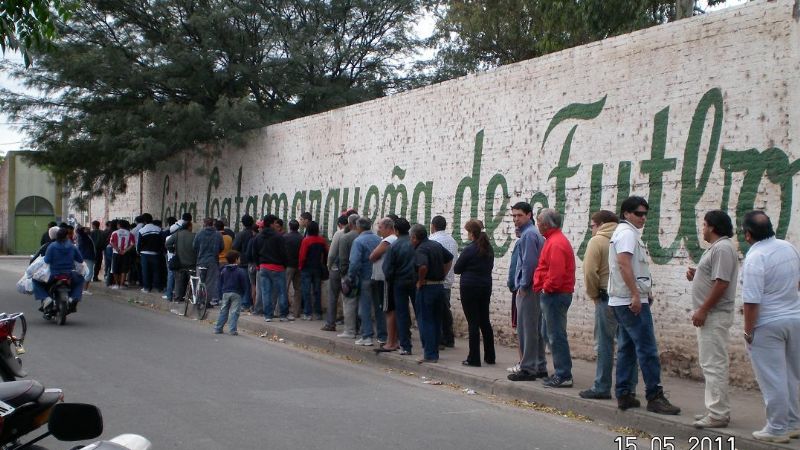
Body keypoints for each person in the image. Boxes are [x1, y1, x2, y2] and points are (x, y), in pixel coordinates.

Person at [609, 196, 680, 415]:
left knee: (628, 347)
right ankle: (654, 395)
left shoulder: (624, 233)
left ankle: (624, 393)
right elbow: (623, 263)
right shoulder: (627, 234)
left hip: (622, 299)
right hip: (629, 300)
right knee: (647, 348)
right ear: (627, 213)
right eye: (639, 213)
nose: (643, 218)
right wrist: (635, 295)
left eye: (645, 214)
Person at [741, 210, 800, 443]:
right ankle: (793, 422)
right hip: (794, 318)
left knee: (772, 378)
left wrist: (748, 331)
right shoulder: (788, 247)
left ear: (748, 234)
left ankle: (777, 428)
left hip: (768, 324)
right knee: (790, 375)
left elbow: (751, 301)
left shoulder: (755, 258)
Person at [686, 210, 739, 429]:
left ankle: (718, 413)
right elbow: (714, 277)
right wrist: (697, 273)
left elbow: (721, 283)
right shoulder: (718, 249)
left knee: (714, 363)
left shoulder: (723, 248)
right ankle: (715, 409)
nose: (703, 229)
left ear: (713, 227)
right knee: (710, 363)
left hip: (715, 315)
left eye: (705, 225)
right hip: (711, 314)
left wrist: (703, 310)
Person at [580, 210, 638, 400]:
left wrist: (594, 294)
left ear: (600, 224)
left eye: (591, 226)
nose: (591, 230)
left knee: (604, 343)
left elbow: (589, 272)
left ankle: (602, 385)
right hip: (628, 297)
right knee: (627, 344)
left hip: (606, 296)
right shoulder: (628, 237)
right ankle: (629, 387)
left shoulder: (597, 241)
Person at [534, 208, 575, 388]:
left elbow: (556, 274)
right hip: (553, 294)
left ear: (545, 224)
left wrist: (546, 288)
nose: (537, 224)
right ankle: (561, 371)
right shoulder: (553, 240)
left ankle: (563, 374)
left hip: (555, 295)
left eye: (539, 221)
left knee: (556, 334)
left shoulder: (556, 243)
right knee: (548, 333)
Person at [507, 202, 548, 382]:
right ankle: (539, 366)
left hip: (529, 288)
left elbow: (529, 264)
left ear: (529, 215)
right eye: (514, 216)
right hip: (534, 287)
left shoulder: (529, 235)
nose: (516, 219)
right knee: (536, 328)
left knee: (527, 329)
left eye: (519, 215)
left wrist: (523, 285)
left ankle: (528, 368)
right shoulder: (532, 234)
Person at [453, 219, 495, 366]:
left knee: (473, 323)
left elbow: (457, 269)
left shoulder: (469, 249)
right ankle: (490, 356)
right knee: (485, 321)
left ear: (471, 233)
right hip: (485, 286)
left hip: (469, 287)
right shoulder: (489, 248)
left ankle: (474, 358)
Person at [410, 224, 453, 363]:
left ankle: (429, 354)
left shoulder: (421, 249)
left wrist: (421, 281)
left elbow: (422, 266)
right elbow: (449, 258)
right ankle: (434, 352)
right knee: (435, 320)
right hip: (439, 287)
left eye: (411, 238)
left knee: (425, 321)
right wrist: (443, 274)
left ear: (415, 238)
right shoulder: (435, 245)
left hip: (427, 287)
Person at [33, 228, 85, 316]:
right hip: (69, 274)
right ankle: (74, 297)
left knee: (35, 281)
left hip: (54, 275)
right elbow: (80, 259)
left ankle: (46, 299)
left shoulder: (52, 246)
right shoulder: (72, 246)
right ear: (67, 236)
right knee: (80, 280)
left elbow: (47, 260)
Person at [349, 217, 383, 346]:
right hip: (378, 276)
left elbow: (354, 262)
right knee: (379, 307)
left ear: (358, 227)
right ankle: (382, 335)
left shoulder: (358, 241)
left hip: (365, 277)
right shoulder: (378, 239)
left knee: (365, 307)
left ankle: (367, 335)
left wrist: (351, 277)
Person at [383, 217, 415, 355]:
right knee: (420, 312)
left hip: (399, 282)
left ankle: (406, 346)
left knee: (401, 314)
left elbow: (387, 268)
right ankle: (429, 346)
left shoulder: (394, 246)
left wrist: (391, 279)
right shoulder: (415, 243)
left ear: (395, 230)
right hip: (415, 281)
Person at [252, 215, 291, 322]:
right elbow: (283, 253)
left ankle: (268, 315)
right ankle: (283, 314)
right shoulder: (278, 237)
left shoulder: (258, 237)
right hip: (278, 267)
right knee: (281, 291)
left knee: (266, 292)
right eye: (275, 223)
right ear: (271, 224)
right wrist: (284, 264)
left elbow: (254, 253)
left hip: (263, 267)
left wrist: (258, 265)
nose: (276, 225)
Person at [370, 217, 398, 351]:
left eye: (380, 227)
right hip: (385, 278)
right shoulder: (390, 239)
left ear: (388, 228)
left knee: (388, 310)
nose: (378, 230)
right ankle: (393, 340)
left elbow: (373, 255)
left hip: (384, 279)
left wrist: (373, 255)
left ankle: (390, 341)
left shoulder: (389, 240)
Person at [429, 215, 457, 349]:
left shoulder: (432, 240)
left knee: (436, 311)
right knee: (445, 310)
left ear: (433, 226)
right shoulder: (452, 241)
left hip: (436, 281)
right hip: (448, 280)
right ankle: (448, 337)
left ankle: (440, 338)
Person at [323, 215, 349, 331]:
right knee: (349, 298)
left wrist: (329, 266)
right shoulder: (357, 233)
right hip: (350, 270)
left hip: (336, 269)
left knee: (333, 296)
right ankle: (352, 325)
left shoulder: (339, 234)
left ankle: (330, 323)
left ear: (339, 224)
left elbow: (332, 254)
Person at [214, 250, 249, 336]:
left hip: (225, 292)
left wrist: (221, 292)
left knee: (223, 310)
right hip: (237, 293)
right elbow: (244, 283)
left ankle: (218, 328)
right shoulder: (240, 271)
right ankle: (232, 329)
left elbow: (220, 282)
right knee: (234, 312)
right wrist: (244, 292)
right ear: (236, 259)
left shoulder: (223, 270)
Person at [337, 213, 360, 339]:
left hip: (349, 274)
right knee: (361, 304)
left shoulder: (345, 238)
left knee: (349, 303)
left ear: (350, 224)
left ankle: (350, 330)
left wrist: (343, 275)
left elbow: (343, 259)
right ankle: (361, 329)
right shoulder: (366, 236)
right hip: (363, 275)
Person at [299, 221, 328, 321]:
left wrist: (300, 267)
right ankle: (318, 313)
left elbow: (302, 256)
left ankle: (307, 313)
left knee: (306, 291)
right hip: (317, 268)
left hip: (306, 268)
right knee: (317, 291)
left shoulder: (306, 241)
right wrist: (324, 264)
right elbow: (326, 254)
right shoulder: (322, 240)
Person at [193, 218, 224, 306]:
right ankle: (207, 302)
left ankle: (198, 300)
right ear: (213, 224)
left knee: (200, 280)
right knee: (210, 283)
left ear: (204, 224)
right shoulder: (218, 234)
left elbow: (194, 246)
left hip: (201, 260)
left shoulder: (199, 233)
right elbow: (222, 247)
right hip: (213, 261)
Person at [167, 219, 197, 303]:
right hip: (192, 262)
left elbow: (167, 244)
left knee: (179, 281)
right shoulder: (194, 236)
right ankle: (191, 297)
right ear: (189, 227)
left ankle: (178, 298)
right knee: (192, 281)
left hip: (180, 262)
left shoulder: (176, 235)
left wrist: (173, 250)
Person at [232, 214, 255, 311]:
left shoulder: (241, 234)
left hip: (243, 262)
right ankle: (252, 303)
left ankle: (245, 304)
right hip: (254, 262)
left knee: (244, 284)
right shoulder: (254, 234)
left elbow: (235, 247)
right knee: (253, 284)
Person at [137, 213, 164, 293]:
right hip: (156, 253)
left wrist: (138, 251)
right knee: (157, 271)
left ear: (144, 221)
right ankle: (158, 287)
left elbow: (139, 243)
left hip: (145, 254)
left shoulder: (142, 230)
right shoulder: (158, 229)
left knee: (145, 271)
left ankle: (147, 288)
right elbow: (162, 241)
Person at [284, 219, 303, 319]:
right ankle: (296, 312)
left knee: (284, 288)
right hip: (298, 266)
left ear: (289, 227)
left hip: (287, 265)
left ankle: (280, 310)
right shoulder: (301, 238)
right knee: (298, 289)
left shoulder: (285, 237)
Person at [110, 220, 135, 289]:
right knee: (124, 269)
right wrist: (124, 251)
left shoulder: (114, 233)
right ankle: (122, 285)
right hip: (126, 254)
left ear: (119, 225)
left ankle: (117, 284)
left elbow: (112, 243)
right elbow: (132, 244)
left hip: (116, 253)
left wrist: (118, 250)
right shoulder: (130, 234)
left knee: (115, 268)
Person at [75, 226, 95, 295]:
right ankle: (84, 289)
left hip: (86, 256)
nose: (89, 230)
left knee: (86, 273)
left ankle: (83, 289)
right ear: (83, 231)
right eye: (87, 229)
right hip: (87, 256)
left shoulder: (86, 236)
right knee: (89, 273)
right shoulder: (83, 236)